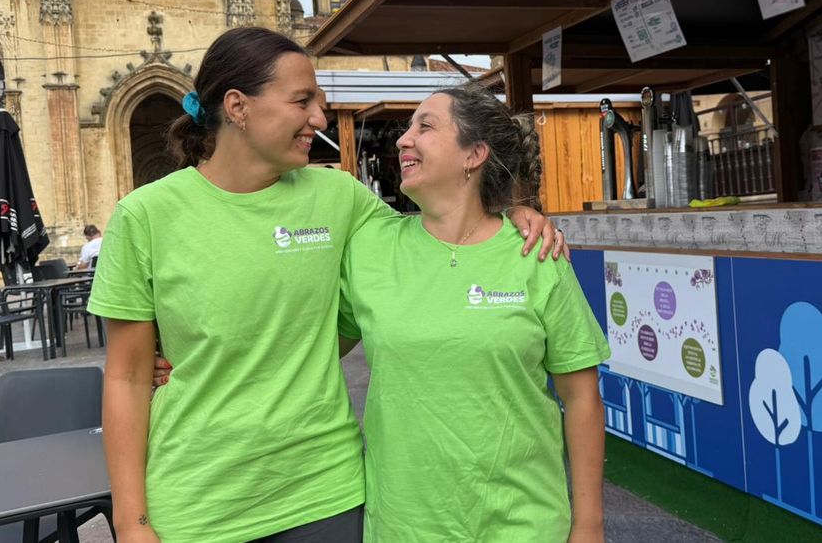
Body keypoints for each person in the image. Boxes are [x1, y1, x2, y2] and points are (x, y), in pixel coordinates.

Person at [90, 27, 561, 543]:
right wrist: (131, 521)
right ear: (238, 106)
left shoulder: (340, 196)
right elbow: (128, 380)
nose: (319, 117)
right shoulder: (144, 216)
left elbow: (431, 237)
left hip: (325, 493)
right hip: (198, 500)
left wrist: (509, 208)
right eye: (303, 101)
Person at [337, 88, 610, 542]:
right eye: (407, 128)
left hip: (524, 524)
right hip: (406, 527)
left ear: (475, 153)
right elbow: (310, 350)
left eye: (425, 126)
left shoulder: (535, 252)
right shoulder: (370, 247)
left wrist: (589, 525)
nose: (404, 140)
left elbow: (581, 398)